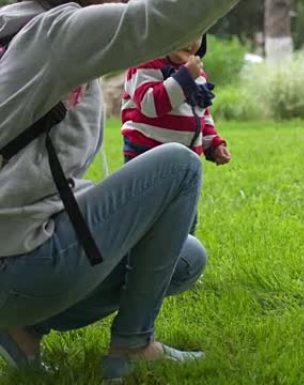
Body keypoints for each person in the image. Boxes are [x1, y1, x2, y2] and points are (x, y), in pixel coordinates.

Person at [0, 0, 239, 382]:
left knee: (185, 257)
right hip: (18, 267)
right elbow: (164, 20)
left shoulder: (12, 25)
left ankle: (22, 330)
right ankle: (133, 344)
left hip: (13, 254)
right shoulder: (60, 34)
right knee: (179, 166)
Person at [121, 36, 232, 234]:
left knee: (183, 218)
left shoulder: (197, 73)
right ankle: (137, 259)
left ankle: (181, 258)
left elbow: (202, 114)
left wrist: (213, 143)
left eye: (197, 34)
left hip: (186, 163)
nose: (189, 41)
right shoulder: (147, 63)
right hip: (146, 156)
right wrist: (184, 78)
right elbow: (150, 105)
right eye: (182, 31)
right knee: (145, 218)